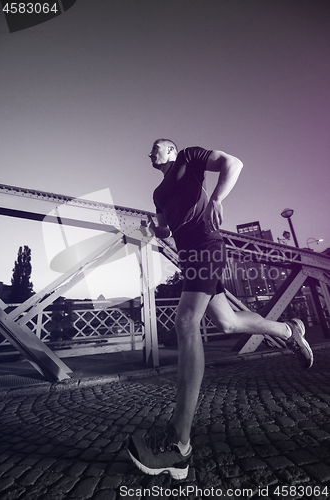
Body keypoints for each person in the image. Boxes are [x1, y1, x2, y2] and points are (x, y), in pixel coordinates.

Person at [128, 139, 313, 480]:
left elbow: (234, 163)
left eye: (157, 147)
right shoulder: (157, 195)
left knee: (186, 322)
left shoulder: (189, 157)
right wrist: (151, 231)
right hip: (189, 259)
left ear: (171, 150)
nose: (151, 153)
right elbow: (166, 230)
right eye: (150, 150)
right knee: (227, 323)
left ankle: (179, 445)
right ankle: (289, 330)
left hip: (207, 247)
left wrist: (216, 198)